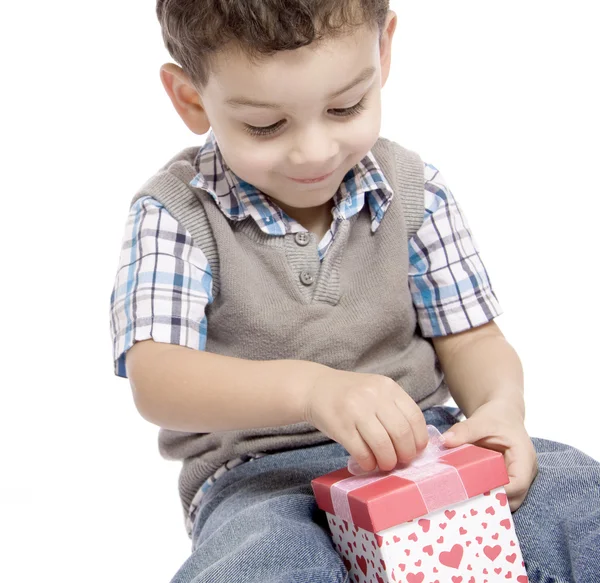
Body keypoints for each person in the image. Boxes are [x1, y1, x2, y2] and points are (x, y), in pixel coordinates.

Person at [109, 2, 600, 581]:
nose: (315, 152)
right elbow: (159, 377)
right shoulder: (175, 214)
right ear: (191, 99)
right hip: (260, 477)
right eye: (266, 125)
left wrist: (500, 409)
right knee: (265, 565)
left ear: (382, 51)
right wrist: (311, 389)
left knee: (579, 503)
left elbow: (472, 340)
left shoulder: (417, 193)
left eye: (345, 107)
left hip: (425, 447)